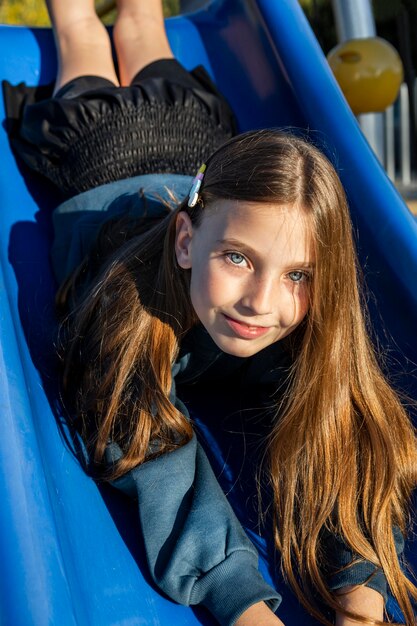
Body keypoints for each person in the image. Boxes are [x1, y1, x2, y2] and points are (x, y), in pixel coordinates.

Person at [3, 1, 417, 625]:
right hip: (104, 146)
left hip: (199, 143)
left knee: (142, 21)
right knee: (81, 30)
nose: (261, 303)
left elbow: (342, 441)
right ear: (186, 242)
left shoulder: (294, 311)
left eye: (298, 275)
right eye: (238, 259)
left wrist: (361, 595)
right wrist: (246, 608)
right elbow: (157, 460)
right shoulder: (132, 309)